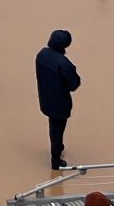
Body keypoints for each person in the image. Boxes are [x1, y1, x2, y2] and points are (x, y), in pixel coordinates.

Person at [35, 29, 82, 171]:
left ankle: (58, 146)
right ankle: (55, 159)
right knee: (58, 129)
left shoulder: (41, 54)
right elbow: (74, 84)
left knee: (53, 126)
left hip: (45, 97)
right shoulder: (64, 63)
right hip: (60, 102)